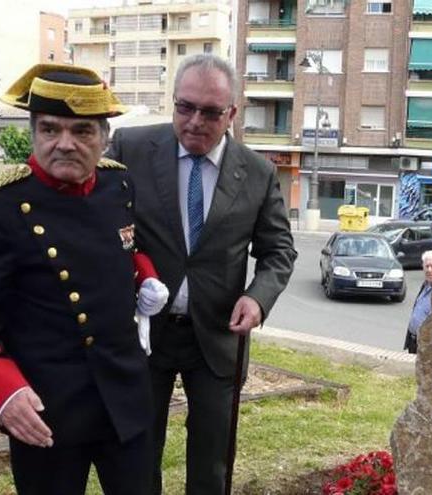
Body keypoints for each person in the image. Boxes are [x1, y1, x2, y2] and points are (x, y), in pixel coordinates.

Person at [0, 63, 169, 494]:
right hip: (46, 410)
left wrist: (146, 278)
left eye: (82, 131)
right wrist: (5, 394)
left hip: (124, 396)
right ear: (33, 132)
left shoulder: (118, 184)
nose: (64, 144)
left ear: (104, 137)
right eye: (50, 129)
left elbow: (125, 248)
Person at [106, 53, 297, 494]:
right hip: (143, 333)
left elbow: (279, 251)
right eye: (184, 106)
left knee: (212, 467)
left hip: (217, 338)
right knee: (135, 457)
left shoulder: (258, 172)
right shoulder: (130, 148)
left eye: (210, 112)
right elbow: (103, 223)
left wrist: (258, 297)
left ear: (231, 113)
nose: (194, 121)